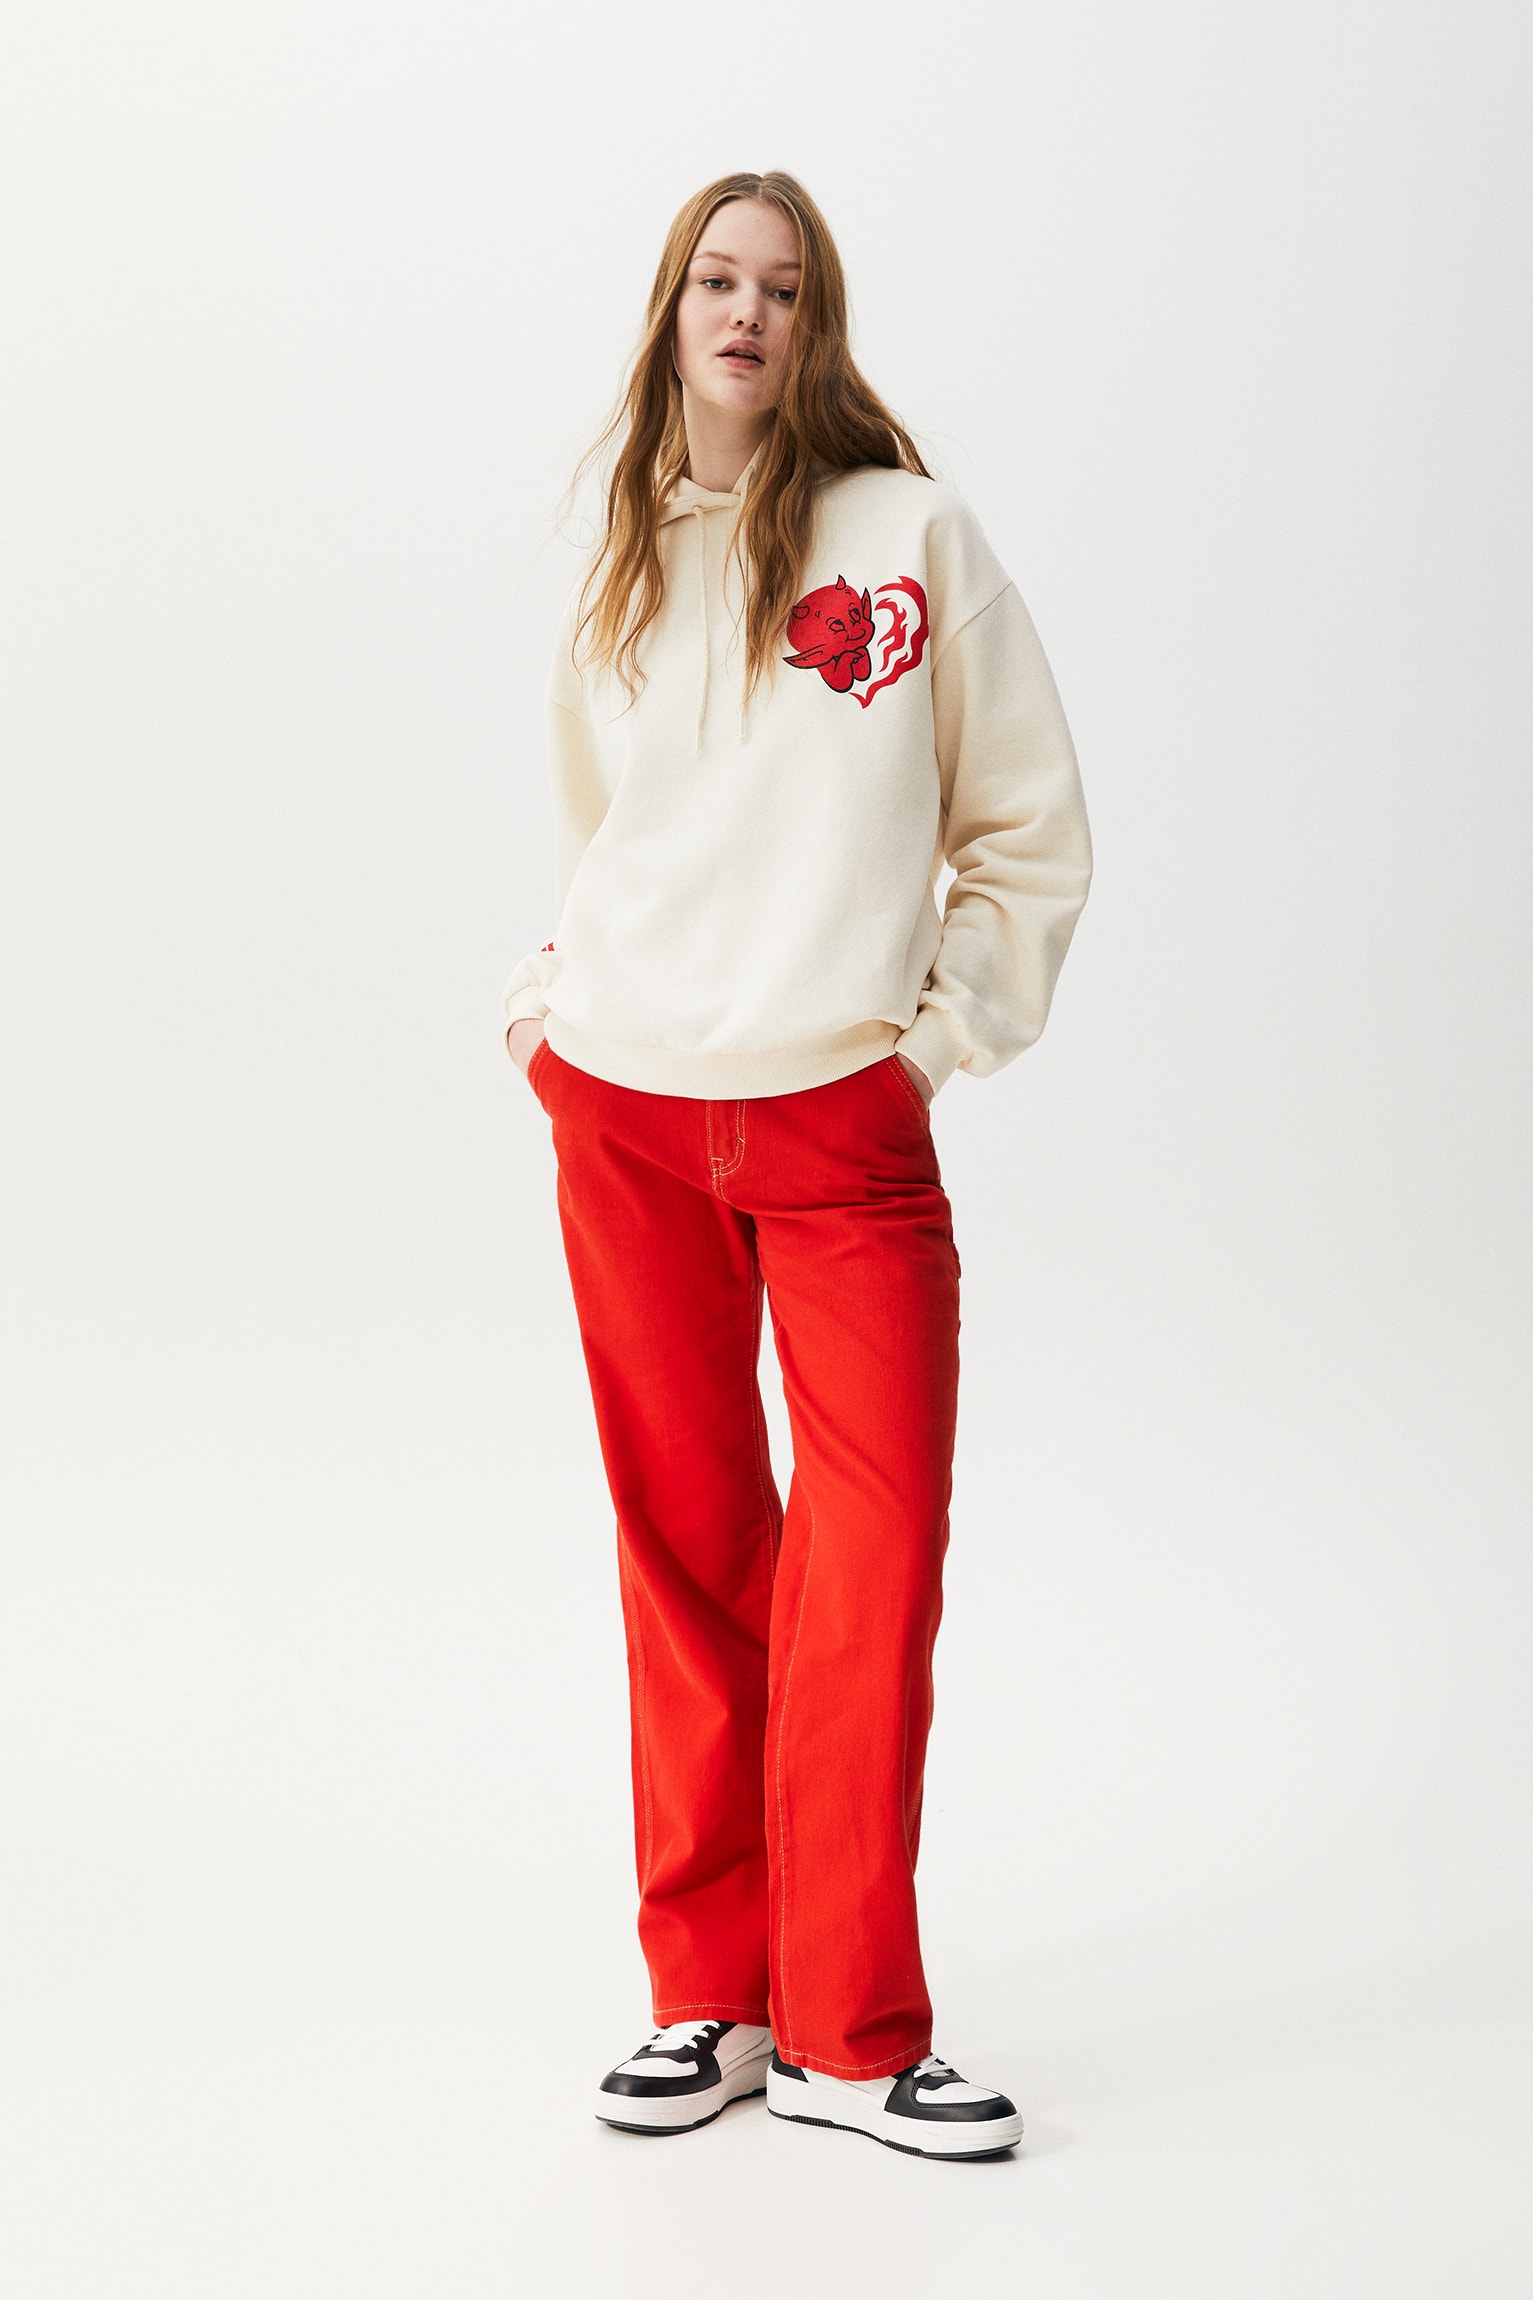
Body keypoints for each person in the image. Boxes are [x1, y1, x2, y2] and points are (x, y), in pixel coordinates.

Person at [502, 170, 1091, 2160]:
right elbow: (602, 838)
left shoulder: (906, 537)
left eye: (779, 287)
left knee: (869, 1557)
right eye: (713, 282)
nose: (744, 314)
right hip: (625, 1111)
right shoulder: (616, 565)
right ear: (670, 314)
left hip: (841, 1118)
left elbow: (1025, 827)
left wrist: (928, 1045)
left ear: (816, 322)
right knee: (683, 1550)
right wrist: (548, 1012)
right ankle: (714, 1998)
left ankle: (852, 2025)